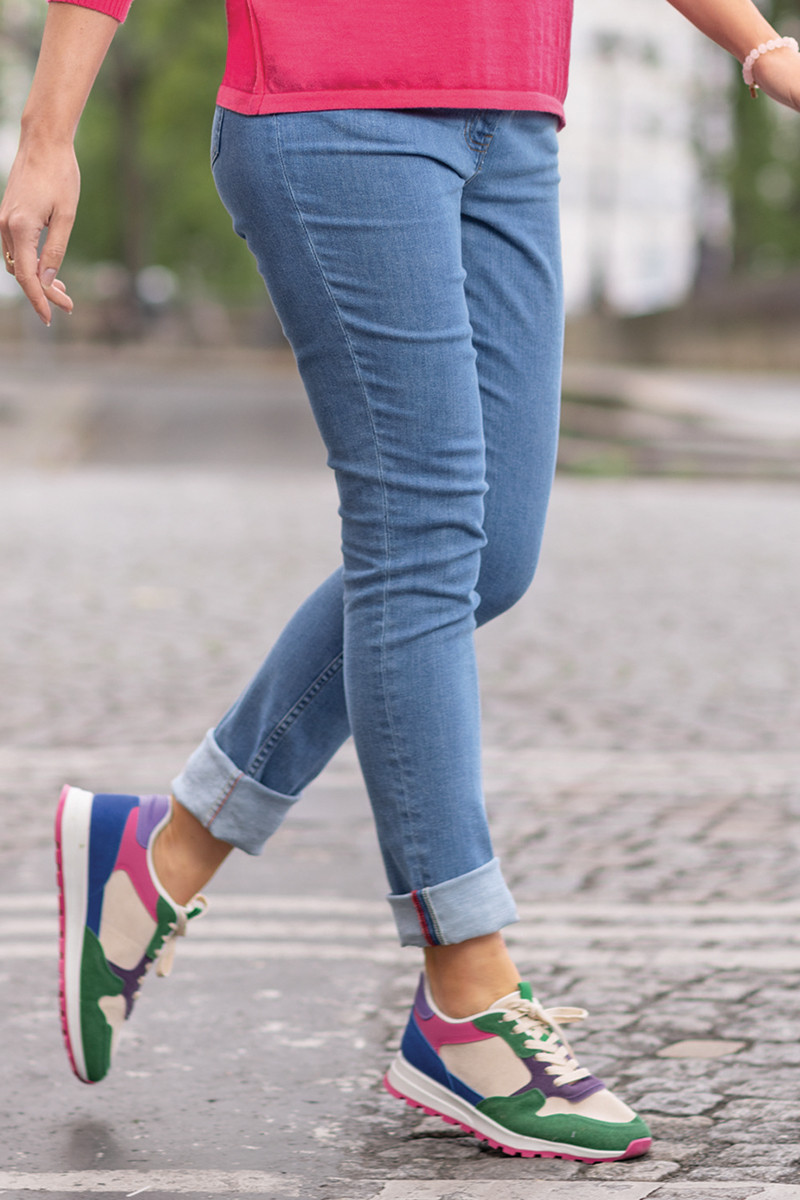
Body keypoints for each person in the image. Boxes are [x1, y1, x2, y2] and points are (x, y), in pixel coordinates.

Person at [2, 0, 798, 1166]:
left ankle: (163, 853)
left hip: (510, 114)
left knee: (489, 556)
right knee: (419, 536)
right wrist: (46, 129)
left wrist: (755, 42)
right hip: (333, 101)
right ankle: (465, 991)